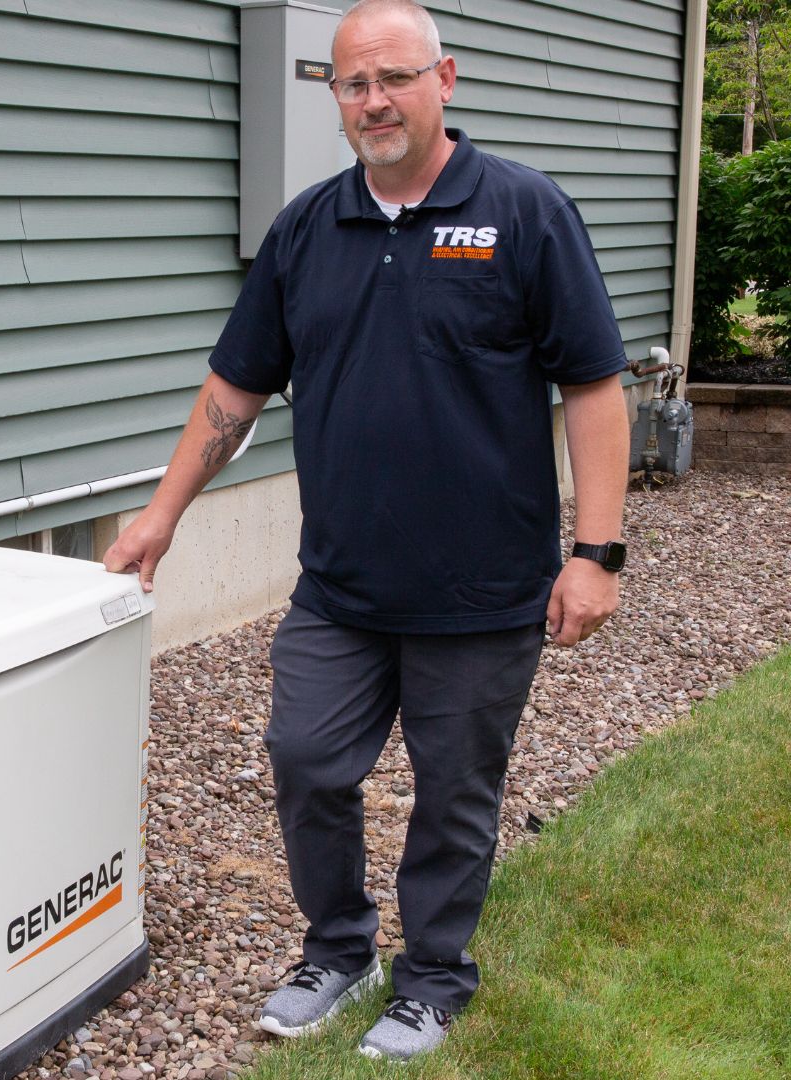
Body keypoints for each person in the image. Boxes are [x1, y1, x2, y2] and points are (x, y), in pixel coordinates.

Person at [102, 0, 632, 1062]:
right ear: (334, 97)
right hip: (341, 587)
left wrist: (596, 553)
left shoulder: (525, 213)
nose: (375, 100)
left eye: (395, 77)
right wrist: (161, 515)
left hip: (483, 592)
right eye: (354, 83)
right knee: (304, 760)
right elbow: (235, 387)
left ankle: (433, 979)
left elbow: (594, 386)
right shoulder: (308, 228)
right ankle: (339, 950)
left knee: (454, 794)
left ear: (447, 78)